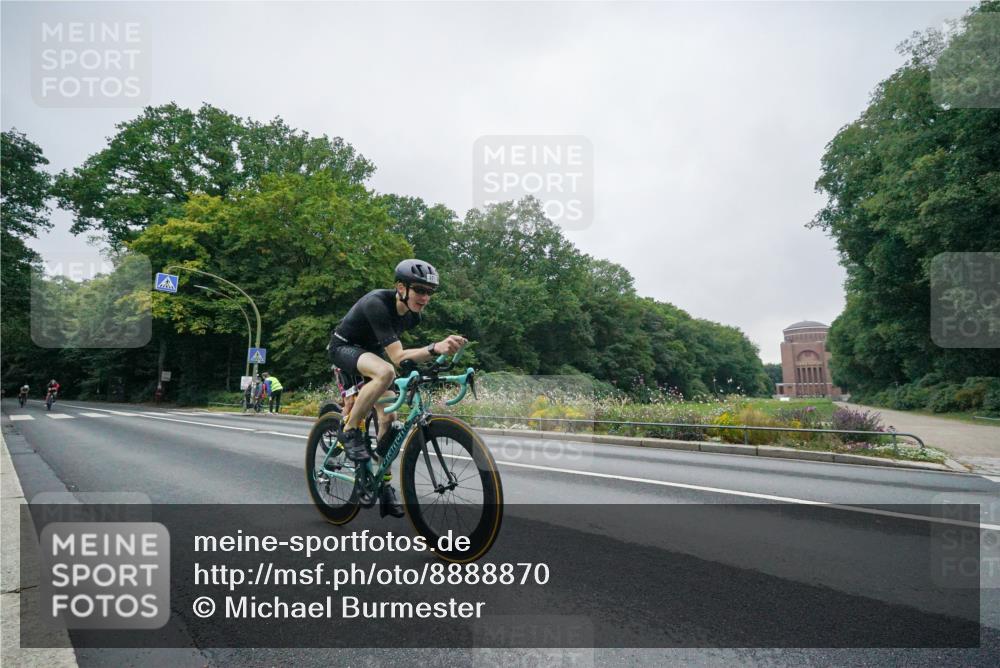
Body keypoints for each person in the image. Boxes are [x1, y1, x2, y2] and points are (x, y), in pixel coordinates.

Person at [327, 258, 466, 518]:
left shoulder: (413, 317)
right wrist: (435, 347)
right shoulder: (376, 304)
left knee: (389, 417)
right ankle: (348, 431)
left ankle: (384, 485)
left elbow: (401, 354)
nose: (424, 297)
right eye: (419, 290)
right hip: (344, 349)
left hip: (372, 353)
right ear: (401, 288)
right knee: (386, 371)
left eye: (429, 292)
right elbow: (398, 357)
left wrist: (435, 362)